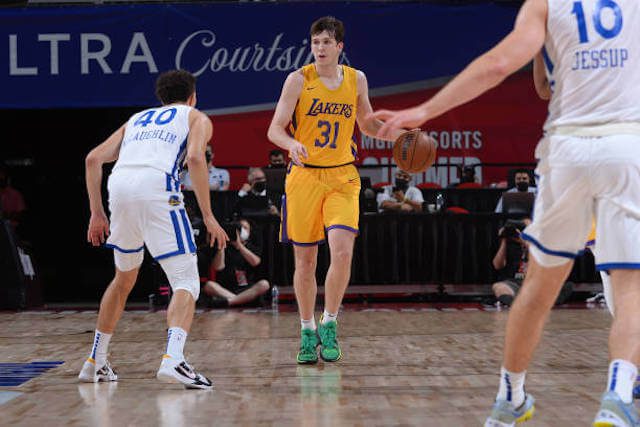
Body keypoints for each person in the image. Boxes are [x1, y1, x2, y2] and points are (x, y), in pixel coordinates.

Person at [373, 1, 640, 425]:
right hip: (626, 144)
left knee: (537, 287)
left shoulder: (544, 4)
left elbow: (497, 65)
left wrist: (423, 111)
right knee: (631, 289)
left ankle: (510, 396)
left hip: (567, 150)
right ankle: (618, 396)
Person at [267, 16, 406, 364]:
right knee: (306, 261)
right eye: (315, 42)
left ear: (340, 46)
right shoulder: (298, 80)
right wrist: (291, 144)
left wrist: (400, 135)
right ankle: (306, 329)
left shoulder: (357, 79)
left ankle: (329, 322)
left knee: (342, 253)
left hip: (343, 176)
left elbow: (367, 123)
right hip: (304, 178)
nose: (320, 48)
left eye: (327, 42)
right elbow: (275, 129)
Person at [81, 69, 228, 389]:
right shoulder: (196, 117)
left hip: (119, 187)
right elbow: (195, 158)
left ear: (160, 98)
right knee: (186, 280)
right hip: (157, 186)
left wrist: (97, 213)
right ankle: (174, 359)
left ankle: (95, 361)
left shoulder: (136, 120)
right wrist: (208, 215)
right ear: (193, 96)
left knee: (123, 279)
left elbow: (93, 159)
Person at [203, 218, 270, 306]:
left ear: (249, 232)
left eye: (245, 228)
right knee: (209, 285)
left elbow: (255, 262)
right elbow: (218, 267)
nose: (242, 230)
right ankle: (241, 300)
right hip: (227, 289)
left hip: (246, 288)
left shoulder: (251, 247)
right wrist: (221, 247)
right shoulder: (225, 247)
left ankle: (231, 301)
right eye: (240, 228)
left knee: (264, 284)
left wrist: (239, 246)